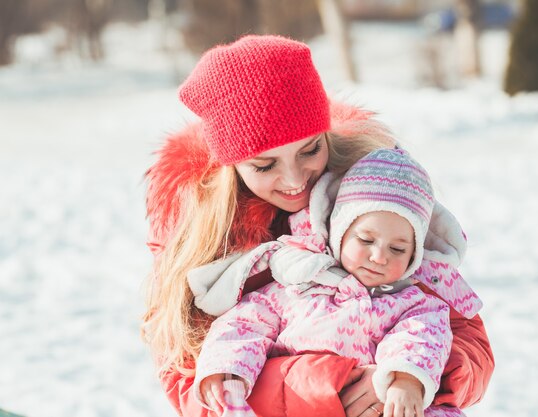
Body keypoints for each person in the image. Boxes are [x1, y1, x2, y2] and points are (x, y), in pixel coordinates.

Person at [142, 34, 494, 417]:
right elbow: (185, 377)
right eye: (265, 165)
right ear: (232, 167)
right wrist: (327, 383)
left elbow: (469, 344)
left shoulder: (375, 194)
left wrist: (409, 377)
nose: (295, 179)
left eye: (310, 150)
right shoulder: (197, 229)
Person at [188, 148, 477, 417]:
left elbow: (422, 338)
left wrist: (406, 379)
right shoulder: (296, 286)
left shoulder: (415, 304)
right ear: (339, 232)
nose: (379, 256)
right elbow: (243, 325)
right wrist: (228, 373)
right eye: (366, 240)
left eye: (398, 249)